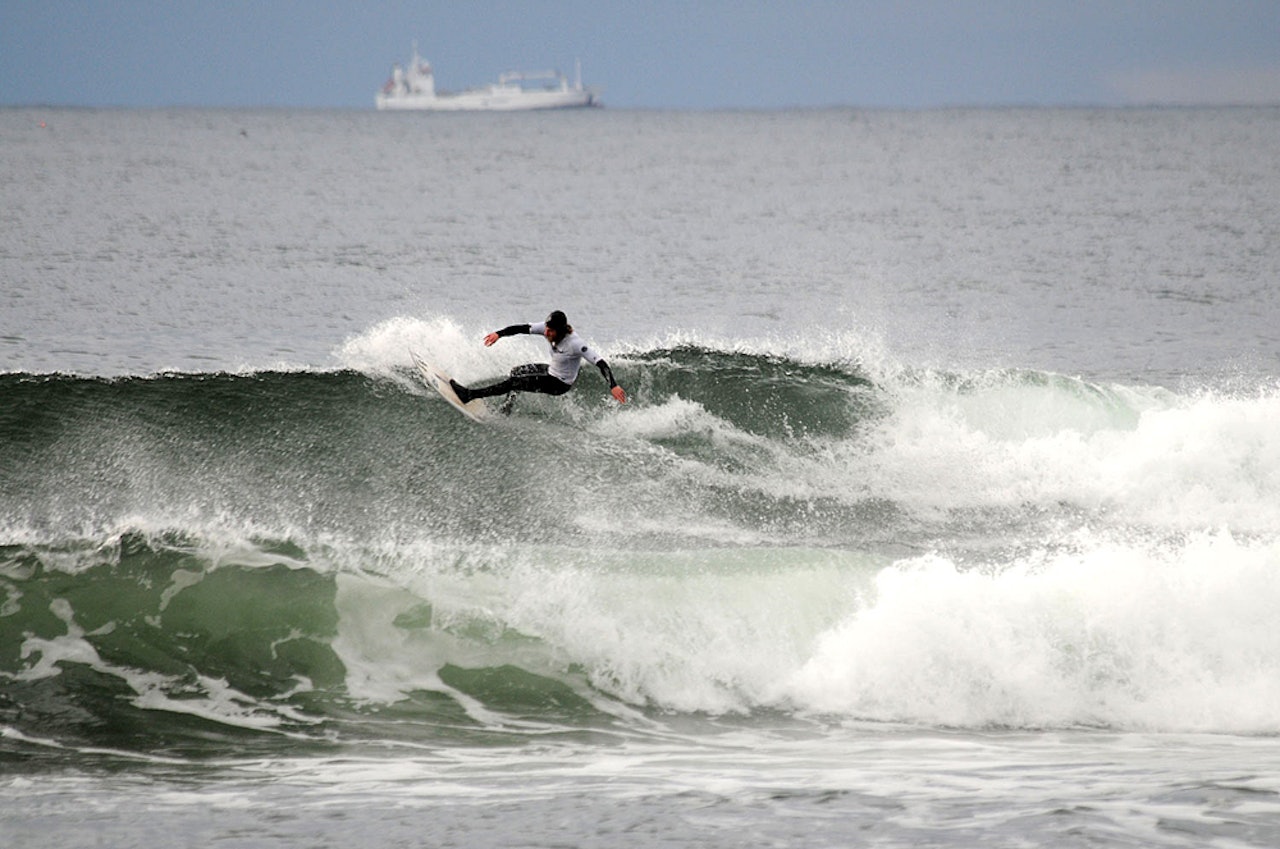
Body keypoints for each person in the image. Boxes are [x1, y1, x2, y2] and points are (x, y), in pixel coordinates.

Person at [450, 310, 627, 408]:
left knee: (514, 382)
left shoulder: (575, 343)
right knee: (516, 372)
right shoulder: (547, 328)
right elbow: (522, 328)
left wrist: (613, 385)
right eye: (546, 328)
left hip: (559, 384)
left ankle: (469, 395)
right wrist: (499, 334)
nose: (546, 333)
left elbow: (600, 363)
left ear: (561, 330)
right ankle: (507, 406)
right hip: (550, 371)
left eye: (550, 331)